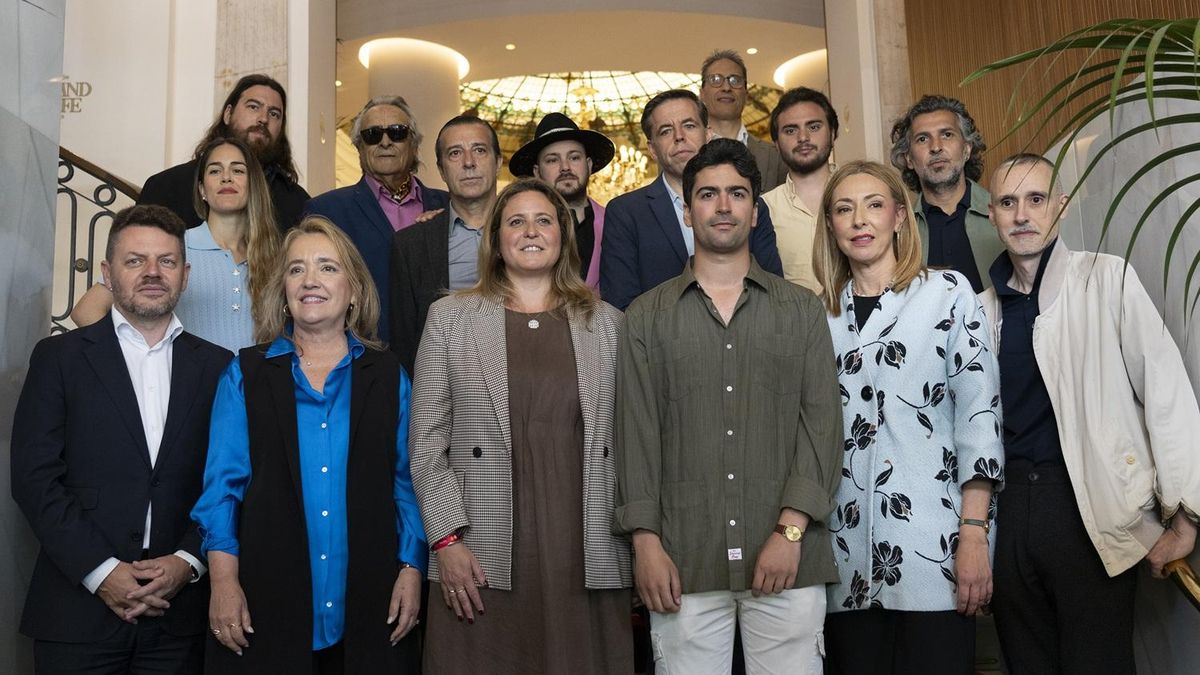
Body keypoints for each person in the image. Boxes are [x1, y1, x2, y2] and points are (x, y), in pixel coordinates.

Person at [614, 139, 841, 674]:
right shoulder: (645, 317)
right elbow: (635, 437)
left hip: (789, 558)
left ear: (755, 210)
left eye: (737, 194)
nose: (723, 206)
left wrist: (790, 533)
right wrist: (646, 545)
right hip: (681, 560)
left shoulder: (801, 310)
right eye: (708, 194)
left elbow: (822, 427)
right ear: (688, 211)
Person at [980, 153, 1200, 673]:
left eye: (1036, 199)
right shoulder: (979, 308)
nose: (1022, 215)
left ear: (1061, 205)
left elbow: (1166, 392)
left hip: (1089, 509)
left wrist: (1186, 514)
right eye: (1008, 203)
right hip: (1007, 514)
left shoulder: (1107, 280)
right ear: (991, 214)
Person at [409, 178, 633, 673]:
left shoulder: (611, 324)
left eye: (543, 220)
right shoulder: (450, 318)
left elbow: (631, 444)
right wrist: (446, 539)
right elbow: (426, 442)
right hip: (481, 546)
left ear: (562, 236)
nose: (530, 231)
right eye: (516, 221)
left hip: (586, 543)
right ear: (496, 238)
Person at [191, 216, 427, 673]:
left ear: (354, 290)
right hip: (263, 603)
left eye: (327, 267)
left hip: (373, 600)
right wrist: (223, 583)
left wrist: (412, 570)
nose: (310, 280)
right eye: (296, 269)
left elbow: (408, 485)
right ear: (282, 290)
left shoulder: (388, 374)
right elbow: (221, 491)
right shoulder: (245, 374)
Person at [12, 204, 231, 673]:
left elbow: (229, 482)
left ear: (185, 275)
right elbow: (35, 478)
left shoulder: (218, 369)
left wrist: (189, 560)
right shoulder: (58, 358)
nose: (153, 273)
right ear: (108, 274)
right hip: (75, 615)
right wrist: (101, 571)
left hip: (181, 620)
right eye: (135, 261)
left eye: (166, 261)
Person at [813, 160, 1004, 673]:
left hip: (934, 547)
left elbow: (979, 418)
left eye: (874, 205)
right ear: (830, 225)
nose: (860, 221)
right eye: (844, 209)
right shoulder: (817, 315)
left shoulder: (948, 292)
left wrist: (974, 534)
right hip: (844, 556)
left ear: (900, 216)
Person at [70, 137, 281, 352]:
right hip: (189, 385)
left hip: (254, 385)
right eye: (215, 171)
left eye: (238, 170)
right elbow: (86, 310)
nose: (226, 178)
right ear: (201, 190)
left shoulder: (274, 256)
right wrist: (135, 359)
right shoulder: (173, 247)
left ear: (253, 185)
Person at [601, 89, 783, 311]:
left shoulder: (748, 204)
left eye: (689, 125)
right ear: (652, 149)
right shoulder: (626, 212)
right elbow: (621, 306)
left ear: (708, 135)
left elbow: (772, 288)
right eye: (666, 130)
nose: (679, 136)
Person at [305, 95, 450, 341]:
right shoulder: (326, 211)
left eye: (397, 132)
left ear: (413, 144)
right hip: (361, 357)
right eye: (373, 134)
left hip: (440, 356)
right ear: (359, 147)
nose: (385, 142)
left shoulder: (448, 207)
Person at [389, 115, 502, 377]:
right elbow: (404, 344)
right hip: (443, 390)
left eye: (479, 150)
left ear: (498, 162)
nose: (469, 162)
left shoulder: (530, 236)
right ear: (441, 170)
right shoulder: (410, 245)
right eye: (455, 153)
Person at [140, 74, 309, 233]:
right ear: (228, 114)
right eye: (253, 107)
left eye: (274, 114)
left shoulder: (298, 204)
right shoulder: (167, 186)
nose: (263, 118)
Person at [889, 95, 1004, 292]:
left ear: (967, 149)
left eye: (947, 134)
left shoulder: (1004, 215)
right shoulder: (898, 230)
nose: (935, 147)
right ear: (909, 158)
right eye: (922, 138)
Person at [509, 112, 616, 289]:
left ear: (588, 165)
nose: (565, 167)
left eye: (574, 157)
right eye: (552, 160)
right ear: (537, 172)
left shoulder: (614, 221)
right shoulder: (523, 229)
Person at [761, 87, 838, 292]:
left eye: (813, 127)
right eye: (791, 130)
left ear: (832, 133)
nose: (803, 137)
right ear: (776, 143)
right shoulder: (763, 209)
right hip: (792, 323)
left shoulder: (861, 196)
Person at [699, 49, 788, 190]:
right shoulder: (686, 152)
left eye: (735, 80)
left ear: (746, 94)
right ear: (702, 93)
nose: (727, 87)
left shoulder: (775, 156)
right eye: (716, 80)